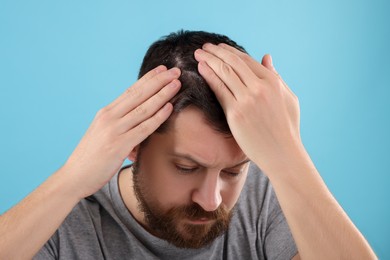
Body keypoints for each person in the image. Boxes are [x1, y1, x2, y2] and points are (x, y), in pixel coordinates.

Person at [0, 30, 376, 259]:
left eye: (233, 171)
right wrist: (69, 181)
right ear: (134, 145)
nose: (211, 200)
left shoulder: (270, 198)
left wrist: (290, 156)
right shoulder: (66, 220)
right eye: (186, 167)